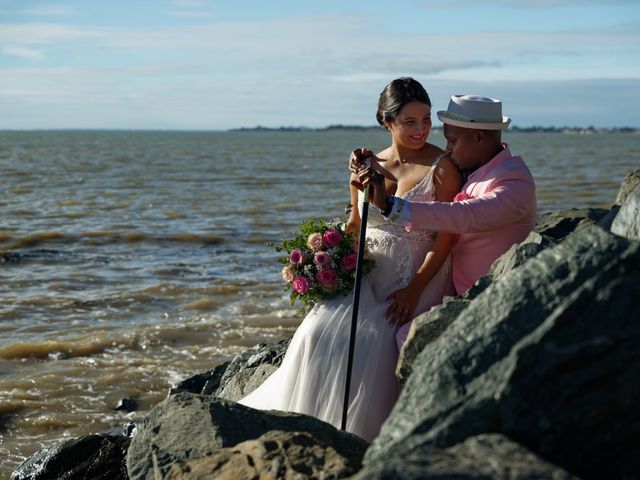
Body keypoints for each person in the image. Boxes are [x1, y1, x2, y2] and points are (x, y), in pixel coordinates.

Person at [239, 77, 462, 440]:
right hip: (369, 274)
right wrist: (322, 256)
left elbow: (448, 236)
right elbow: (355, 225)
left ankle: (361, 442)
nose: (421, 129)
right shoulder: (367, 164)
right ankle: (307, 430)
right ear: (386, 122)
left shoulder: (442, 167)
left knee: (373, 340)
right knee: (316, 330)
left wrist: (415, 288)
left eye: (425, 120)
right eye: (410, 122)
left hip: (417, 278)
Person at [352, 94, 537, 347]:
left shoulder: (515, 182)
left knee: (408, 338)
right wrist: (362, 162)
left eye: (452, 141)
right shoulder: (476, 167)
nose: (447, 149)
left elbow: (465, 214)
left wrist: (391, 206)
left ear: (479, 137)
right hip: (456, 293)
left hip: (492, 296)